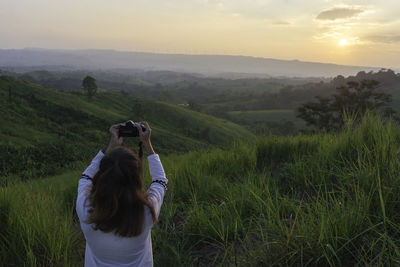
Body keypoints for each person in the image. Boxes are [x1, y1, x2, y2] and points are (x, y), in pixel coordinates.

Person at [76, 121, 168, 267]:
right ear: (136, 178)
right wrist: (147, 143)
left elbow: (86, 177)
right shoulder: (145, 211)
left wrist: (111, 145)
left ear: (102, 176)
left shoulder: (86, 208)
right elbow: (160, 181)